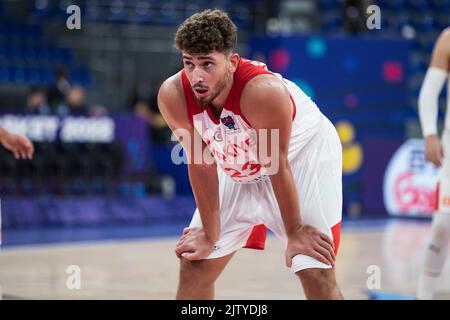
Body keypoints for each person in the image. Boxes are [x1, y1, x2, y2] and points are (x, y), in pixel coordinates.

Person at [157, 9, 343, 300]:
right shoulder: (173, 95)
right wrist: (209, 233)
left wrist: (294, 232)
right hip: (239, 162)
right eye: (189, 64)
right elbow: (200, 162)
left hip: (301, 158)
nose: (197, 76)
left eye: (207, 64)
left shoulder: (262, 92)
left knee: (314, 270)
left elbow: (275, 165)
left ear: (232, 63)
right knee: (194, 266)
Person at [417, 28, 450, 300]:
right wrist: (430, 133)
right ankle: (424, 295)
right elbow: (429, 93)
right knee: (443, 226)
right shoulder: (448, 38)